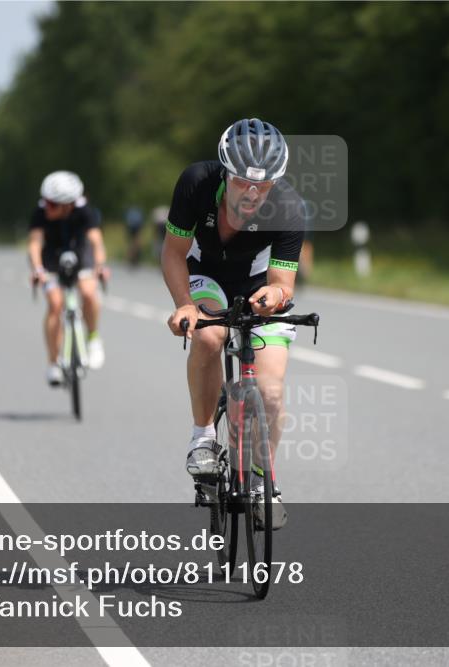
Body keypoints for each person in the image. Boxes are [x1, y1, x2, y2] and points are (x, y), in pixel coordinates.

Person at [162, 118, 306, 529]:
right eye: (243, 182)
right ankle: (203, 438)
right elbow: (173, 252)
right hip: (205, 275)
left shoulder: (289, 208)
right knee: (208, 337)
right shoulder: (196, 183)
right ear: (226, 173)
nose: (253, 192)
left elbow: (283, 283)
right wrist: (184, 305)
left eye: (264, 184)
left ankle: (264, 480)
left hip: (258, 284)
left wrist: (274, 297)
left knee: (272, 392)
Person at [27, 171, 110, 385]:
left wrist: (100, 266)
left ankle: (93, 339)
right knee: (55, 304)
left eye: (52, 204)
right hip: (52, 258)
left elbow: (96, 241)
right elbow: (35, 243)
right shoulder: (41, 211)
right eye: (45, 202)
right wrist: (37, 268)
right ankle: (53, 363)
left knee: (89, 293)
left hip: (80, 255)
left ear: (68, 205)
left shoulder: (83, 212)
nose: (47, 207)